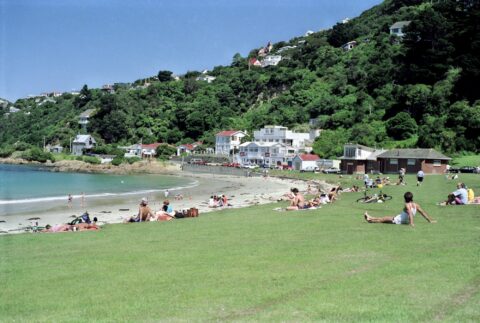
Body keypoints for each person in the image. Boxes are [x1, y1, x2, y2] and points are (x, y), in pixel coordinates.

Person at [364, 192, 436, 227]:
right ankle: (370, 217)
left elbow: (410, 213)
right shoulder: (416, 205)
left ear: (405, 198)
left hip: (398, 220)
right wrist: (429, 220)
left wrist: (411, 223)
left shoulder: (407, 205)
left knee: (382, 220)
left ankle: (369, 220)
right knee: (383, 218)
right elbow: (422, 212)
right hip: (401, 219)